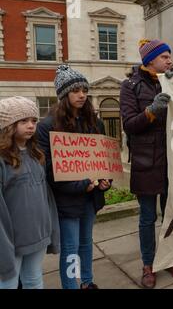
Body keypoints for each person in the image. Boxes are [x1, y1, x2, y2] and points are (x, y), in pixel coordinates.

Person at [120, 39, 173, 289]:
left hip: (172, 162)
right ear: (150, 60)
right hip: (146, 162)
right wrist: (152, 110)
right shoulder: (130, 86)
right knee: (148, 218)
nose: (170, 60)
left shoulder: (172, 81)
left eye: (170, 56)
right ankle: (148, 264)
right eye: (165, 56)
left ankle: (171, 259)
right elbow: (129, 124)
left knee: (171, 215)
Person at [37, 65, 111, 289]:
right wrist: (80, 186)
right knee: (70, 247)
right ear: (63, 94)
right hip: (67, 199)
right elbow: (48, 169)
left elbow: (103, 158)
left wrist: (106, 181)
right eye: (75, 90)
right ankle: (71, 285)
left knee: (86, 243)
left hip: (91, 197)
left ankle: (87, 283)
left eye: (84, 90)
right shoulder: (47, 126)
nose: (82, 95)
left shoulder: (95, 122)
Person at [0, 97, 59, 289]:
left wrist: (51, 229)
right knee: (8, 283)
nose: (31, 125)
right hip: (12, 240)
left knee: (34, 280)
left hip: (38, 235)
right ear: (8, 125)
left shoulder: (36, 154)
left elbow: (45, 197)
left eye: (34, 120)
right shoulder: (3, 159)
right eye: (23, 121)